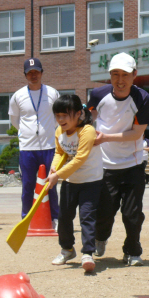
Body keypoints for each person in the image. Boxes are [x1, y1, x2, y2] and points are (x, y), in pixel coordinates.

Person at [87, 52, 149, 266]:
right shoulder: (98, 95)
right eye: (115, 74)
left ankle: (132, 251)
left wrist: (105, 137)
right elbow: (87, 120)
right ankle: (100, 237)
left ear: (135, 74)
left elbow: (136, 133)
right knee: (105, 212)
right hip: (105, 165)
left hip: (133, 163)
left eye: (125, 74)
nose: (120, 80)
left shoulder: (142, 99)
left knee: (132, 213)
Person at [46, 95, 103, 273]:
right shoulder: (59, 132)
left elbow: (79, 159)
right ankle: (67, 249)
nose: (61, 119)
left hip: (91, 180)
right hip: (70, 182)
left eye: (65, 115)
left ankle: (87, 253)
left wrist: (58, 176)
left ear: (78, 114)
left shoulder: (87, 131)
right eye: (58, 115)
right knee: (63, 217)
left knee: (87, 216)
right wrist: (53, 169)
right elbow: (59, 152)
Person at [9, 58, 60, 230]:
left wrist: (50, 131)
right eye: (30, 73)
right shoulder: (18, 96)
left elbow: (58, 118)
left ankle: (54, 217)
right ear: (25, 75)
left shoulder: (52, 93)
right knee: (28, 184)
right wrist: (27, 132)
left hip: (49, 147)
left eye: (36, 72)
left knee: (51, 184)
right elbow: (15, 120)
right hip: (27, 148)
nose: (33, 75)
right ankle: (26, 218)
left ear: (42, 73)